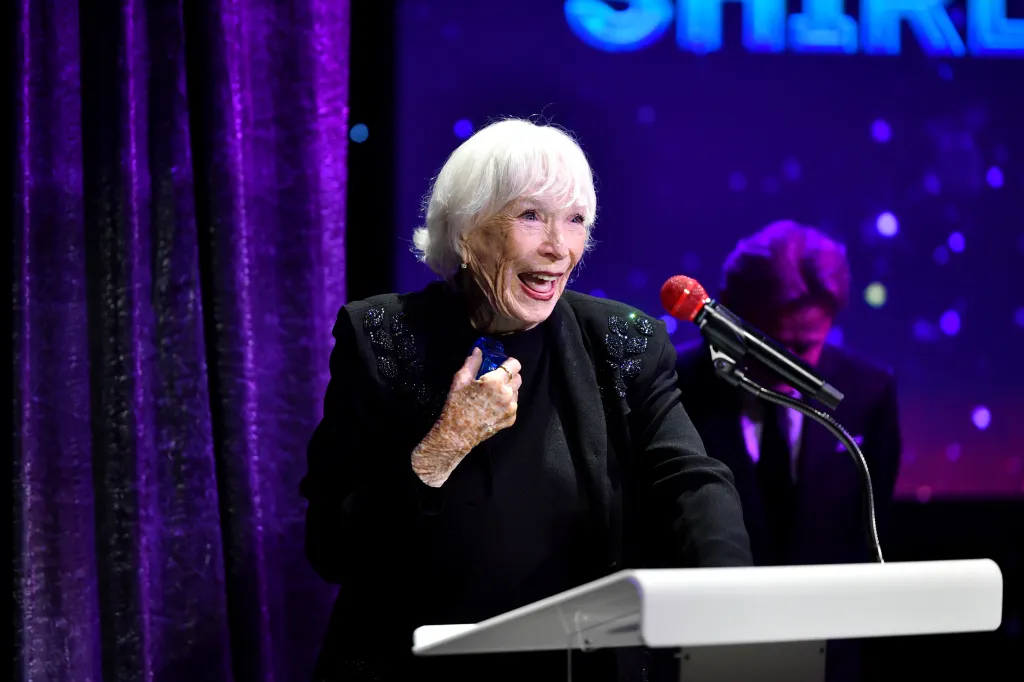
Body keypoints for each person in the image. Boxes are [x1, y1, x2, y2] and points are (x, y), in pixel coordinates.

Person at [301, 118, 752, 682]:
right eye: (531, 216)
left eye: (575, 220)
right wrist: (445, 444)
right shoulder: (382, 337)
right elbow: (331, 546)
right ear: (466, 232)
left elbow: (691, 481)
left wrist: (731, 598)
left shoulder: (622, 342)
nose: (558, 247)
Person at [674, 220, 902, 682]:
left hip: (830, 653)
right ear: (729, 318)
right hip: (700, 645)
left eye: (805, 346)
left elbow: (871, 526)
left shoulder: (868, 392)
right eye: (773, 346)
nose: (790, 366)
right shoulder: (673, 385)